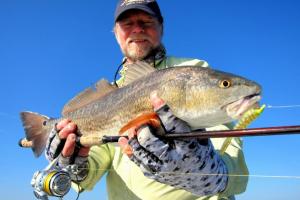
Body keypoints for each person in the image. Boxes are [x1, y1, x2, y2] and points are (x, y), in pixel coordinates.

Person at [45, 1, 249, 199]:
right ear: (115, 32)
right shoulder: (111, 94)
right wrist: (76, 164)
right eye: (127, 24)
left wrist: (211, 174)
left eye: (146, 22)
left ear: (161, 27)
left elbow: (225, 140)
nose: (137, 29)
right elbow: (96, 163)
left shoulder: (194, 69)